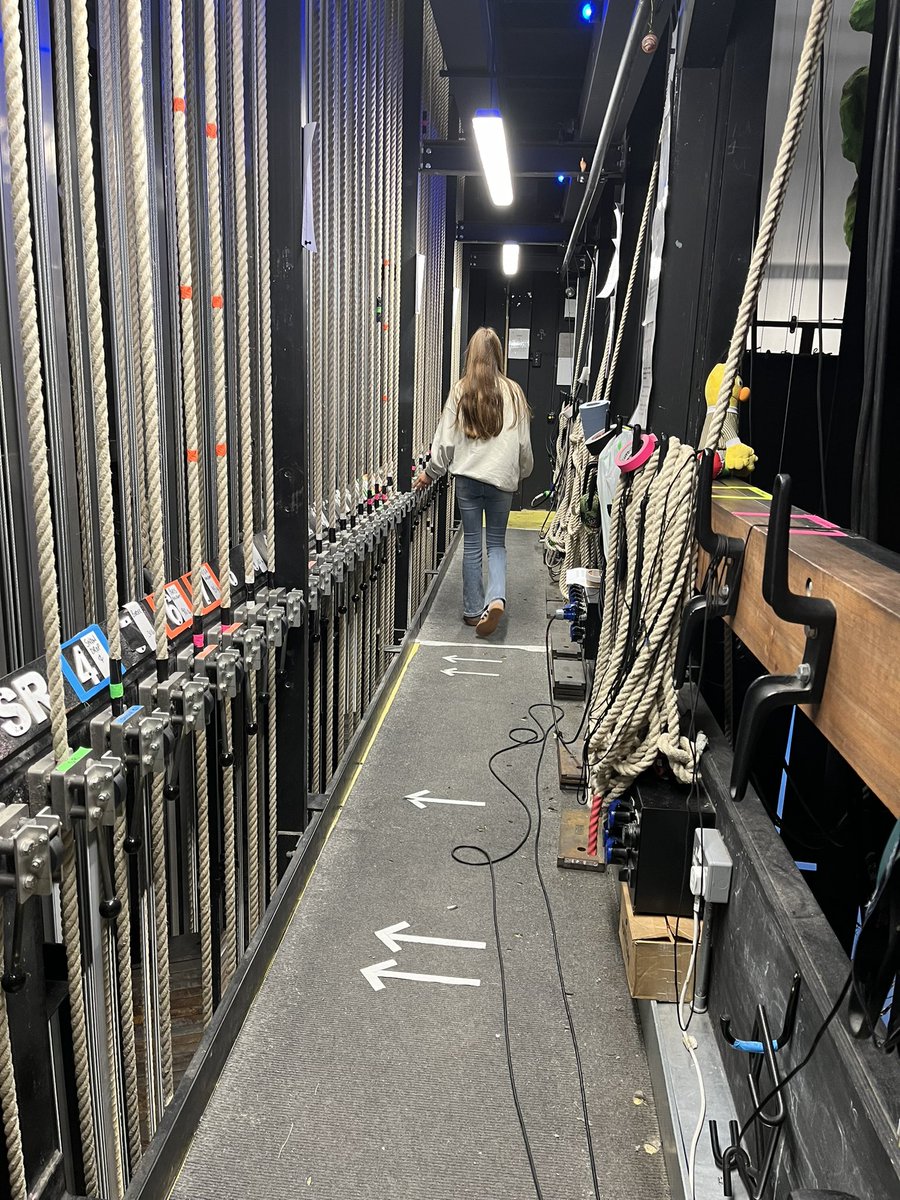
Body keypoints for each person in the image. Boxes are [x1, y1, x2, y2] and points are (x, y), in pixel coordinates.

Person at [414, 327, 533, 637]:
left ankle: (471, 611)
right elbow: (523, 445)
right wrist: (521, 472)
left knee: (471, 545)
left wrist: (430, 472)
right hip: (500, 481)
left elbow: (445, 443)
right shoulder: (514, 392)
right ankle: (495, 600)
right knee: (496, 544)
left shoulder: (460, 391)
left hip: (467, 479)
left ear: (471, 356)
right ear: (499, 355)